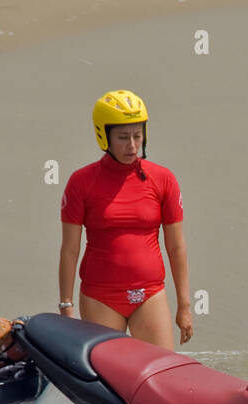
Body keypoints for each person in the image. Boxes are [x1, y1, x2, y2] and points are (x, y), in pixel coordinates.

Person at [58, 90, 193, 349]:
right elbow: (70, 250)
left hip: (150, 294)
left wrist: (184, 306)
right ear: (104, 135)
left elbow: (176, 248)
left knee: (159, 375)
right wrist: (66, 307)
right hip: (100, 298)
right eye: (122, 137)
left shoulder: (163, 179)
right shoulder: (81, 182)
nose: (132, 145)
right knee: (109, 382)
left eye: (137, 136)